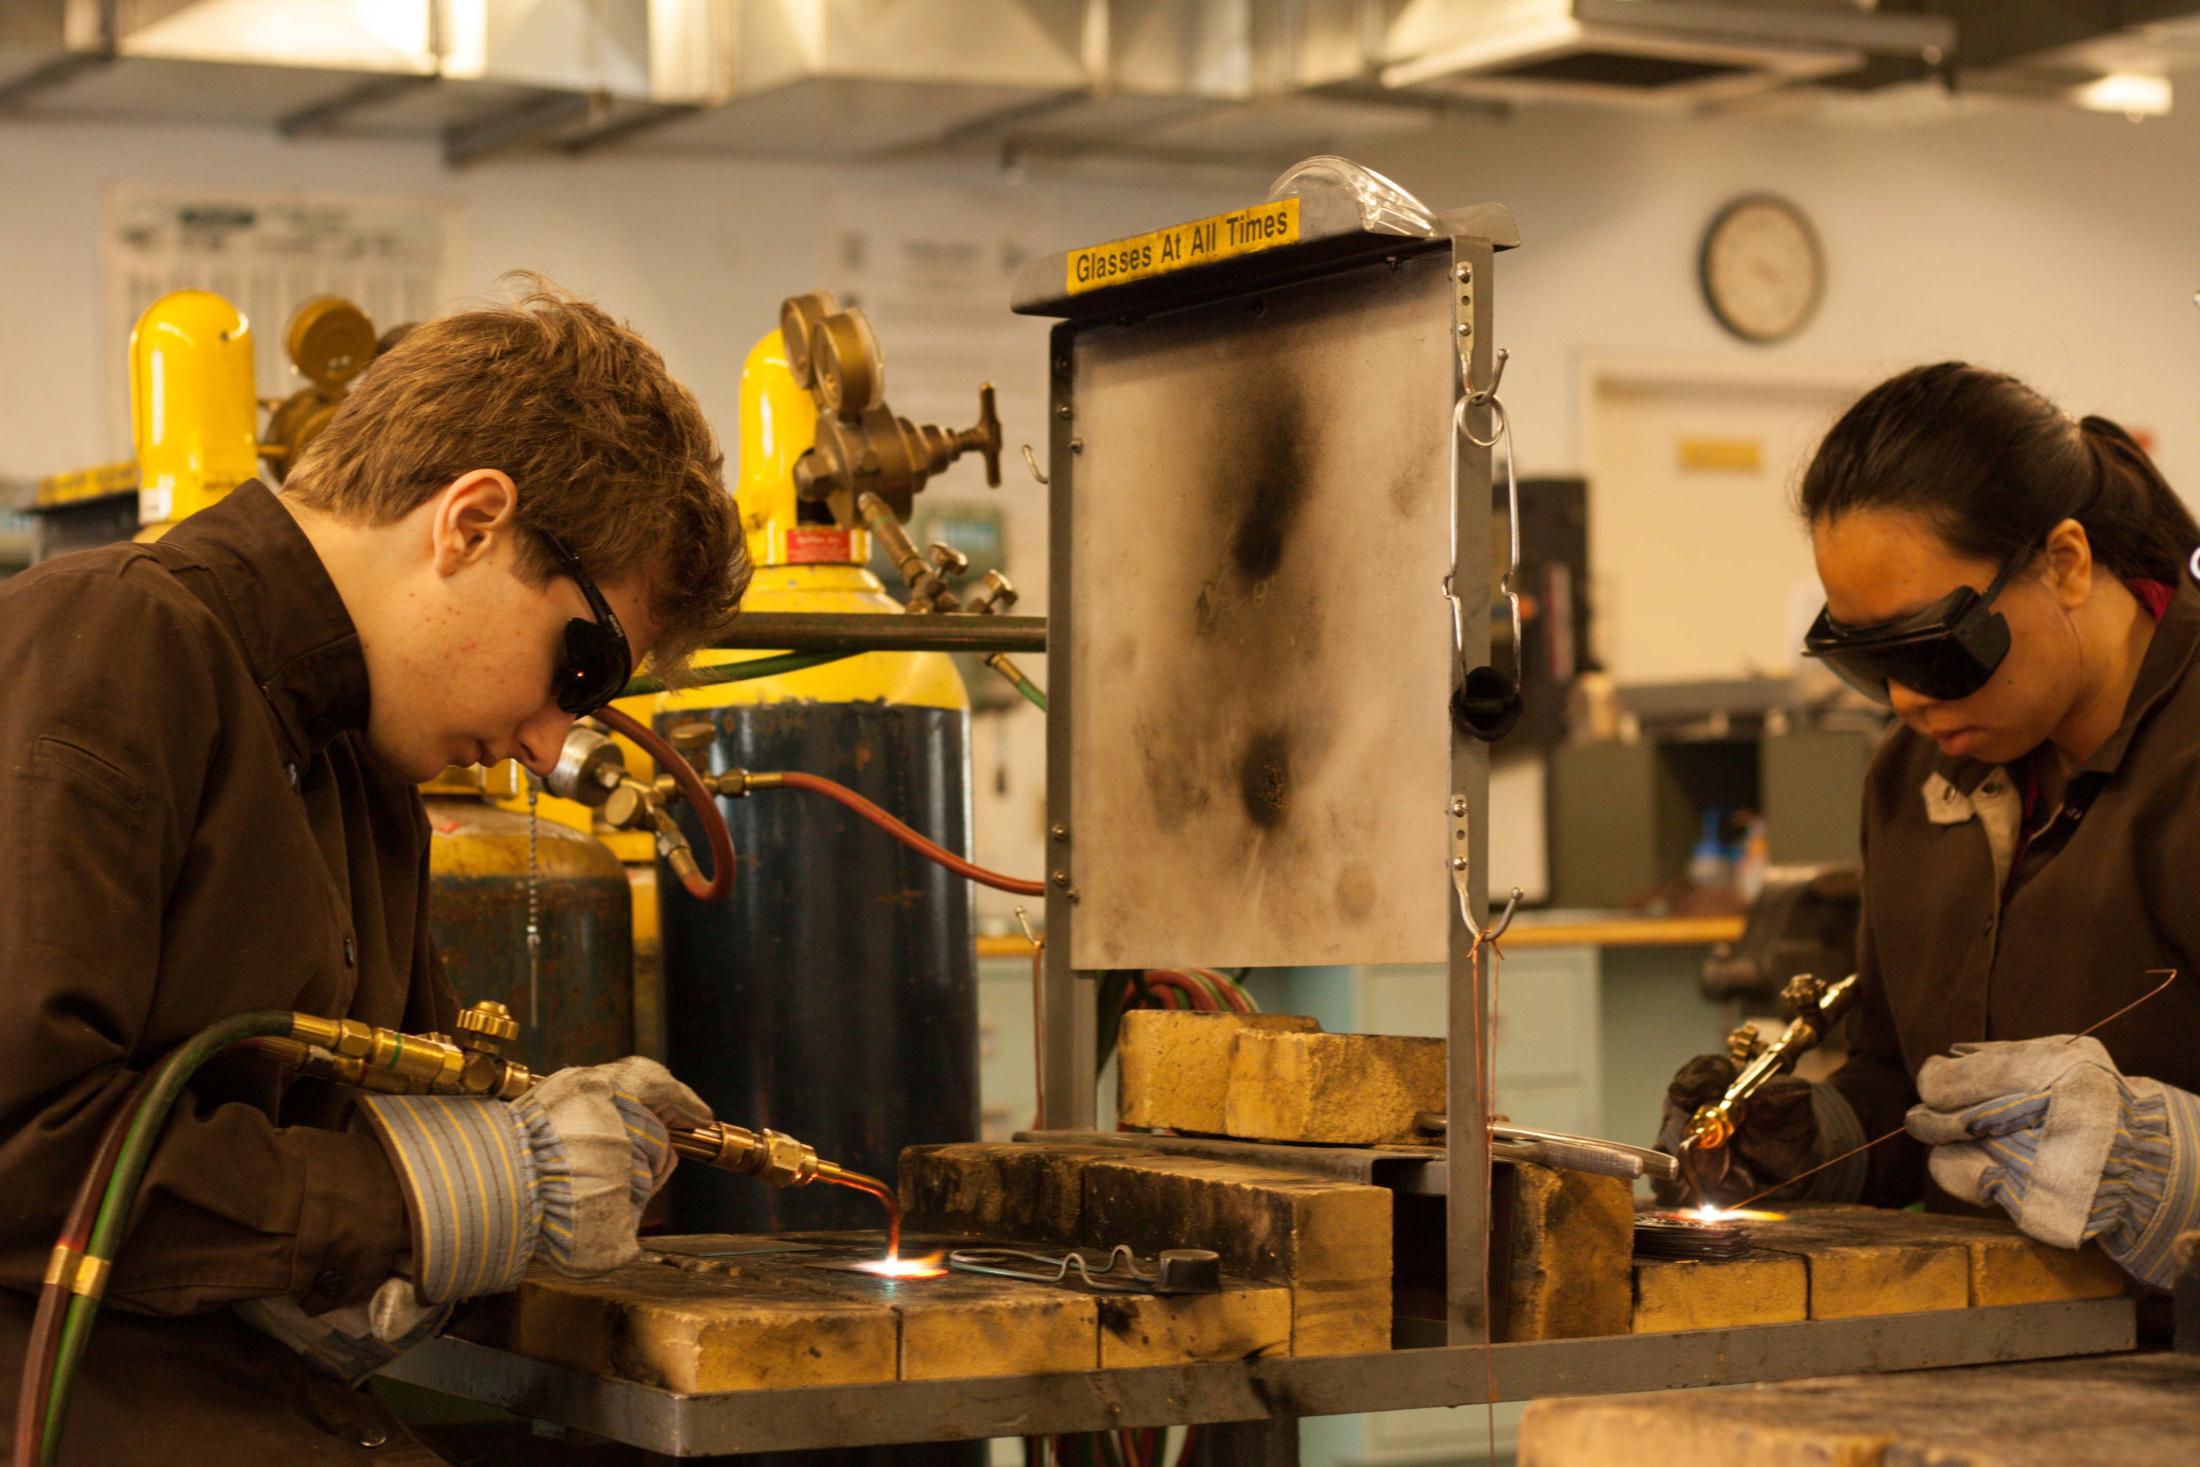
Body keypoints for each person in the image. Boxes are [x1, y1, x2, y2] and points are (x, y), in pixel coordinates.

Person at [0, 276, 750, 1461]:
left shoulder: (363, 774)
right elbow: (23, 1145)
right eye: (585, 668)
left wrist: (537, 1150)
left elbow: (378, 1127)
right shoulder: (112, 646)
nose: (553, 743)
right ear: (471, 522)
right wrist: (430, 1198)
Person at [1658, 362, 2200, 1291]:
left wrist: (2179, 1174)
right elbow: (1910, 1082)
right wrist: (1828, 1134)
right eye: (1868, 664)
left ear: (2065, 561)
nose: (1907, 700)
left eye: (1939, 651)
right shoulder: (1914, 780)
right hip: (1990, 1357)